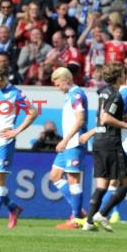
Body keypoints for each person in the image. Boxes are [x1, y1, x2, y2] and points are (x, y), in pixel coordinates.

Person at [0, 64, 38, 228]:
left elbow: (33, 112)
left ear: (7, 78)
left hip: (4, 142)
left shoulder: (16, 94)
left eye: (0, 80)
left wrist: (16, 131)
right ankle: (13, 207)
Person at [79, 62, 127, 232]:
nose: (125, 76)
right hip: (112, 142)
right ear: (119, 76)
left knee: (102, 185)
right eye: (124, 73)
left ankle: (89, 222)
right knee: (126, 183)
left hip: (99, 141)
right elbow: (106, 118)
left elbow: (103, 118)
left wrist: (122, 117)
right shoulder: (115, 95)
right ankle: (102, 214)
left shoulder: (103, 92)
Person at [48, 67, 88, 229]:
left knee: (73, 180)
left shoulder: (76, 95)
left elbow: (81, 120)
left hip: (74, 143)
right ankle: (79, 211)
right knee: (55, 176)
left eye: (58, 84)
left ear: (66, 80)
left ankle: (76, 218)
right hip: (68, 144)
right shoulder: (69, 96)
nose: (57, 88)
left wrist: (65, 140)